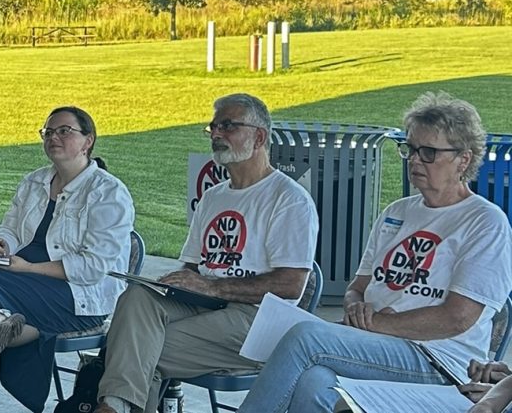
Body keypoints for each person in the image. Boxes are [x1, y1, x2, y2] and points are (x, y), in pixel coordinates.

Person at [236, 91, 512, 413]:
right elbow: (357, 288)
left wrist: (378, 324)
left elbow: (458, 318)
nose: (415, 160)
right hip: (378, 343)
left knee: (306, 338)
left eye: (429, 152)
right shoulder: (397, 212)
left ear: (463, 160)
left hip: (437, 359)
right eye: (409, 149)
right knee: (314, 382)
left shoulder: (484, 221)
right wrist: (356, 310)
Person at [95, 93, 318, 413]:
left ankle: (113, 406)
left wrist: (212, 286)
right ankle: (116, 407)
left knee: (138, 350)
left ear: (259, 137)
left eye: (228, 126)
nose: (216, 134)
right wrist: (175, 281)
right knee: (137, 297)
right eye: (213, 127)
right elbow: (194, 266)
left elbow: (291, 284)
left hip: (257, 320)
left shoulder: (289, 199)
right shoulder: (213, 197)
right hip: (205, 307)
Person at [0, 106, 135, 413]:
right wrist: (1, 243)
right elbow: (13, 228)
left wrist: (30, 267)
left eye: (64, 131)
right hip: (19, 279)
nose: (53, 138)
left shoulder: (108, 192)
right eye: (48, 132)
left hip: (74, 295)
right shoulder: (34, 181)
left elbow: (93, 268)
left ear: (88, 141)